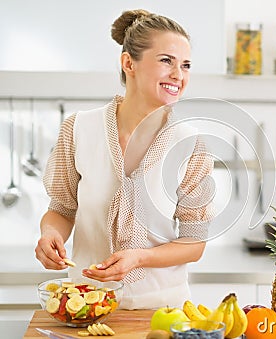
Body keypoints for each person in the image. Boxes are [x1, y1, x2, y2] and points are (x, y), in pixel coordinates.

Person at [35, 9, 215, 309]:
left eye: (185, 65)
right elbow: (62, 209)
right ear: (128, 63)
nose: (178, 75)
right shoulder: (79, 129)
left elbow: (194, 242)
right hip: (86, 302)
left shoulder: (190, 143)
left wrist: (140, 257)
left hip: (162, 309)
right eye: (166, 61)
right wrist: (50, 235)